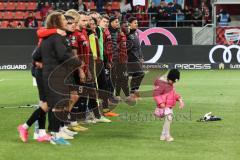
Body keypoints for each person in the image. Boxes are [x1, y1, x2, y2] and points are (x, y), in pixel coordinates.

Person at [153, 69, 184, 142]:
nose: (173, 82)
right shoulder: (162, 84)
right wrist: (161, 103)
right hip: (162, 107)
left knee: (168, 120)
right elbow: (156, 94)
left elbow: (173, 95)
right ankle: (167, 136)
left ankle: (163, 136)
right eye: (172, 81)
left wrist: (180, 100)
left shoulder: (171, 84)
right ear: (169, 78)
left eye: (174, 81)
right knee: (169, 118)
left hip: (169, 107)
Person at [127, 17, 145, 100]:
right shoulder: (127, 34)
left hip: (137, 58)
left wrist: (141, 57)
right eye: (135, 23)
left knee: (136, 75)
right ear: (130, 24)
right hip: (131, 58)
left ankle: (133, 93)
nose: (136, 24)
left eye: (137, 23)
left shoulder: (136, 33)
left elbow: (138, 47)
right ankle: (133, 92)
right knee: (140, 74)